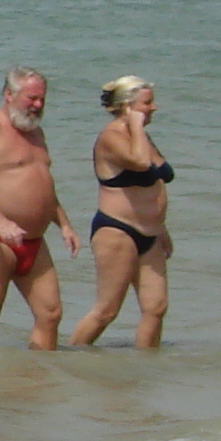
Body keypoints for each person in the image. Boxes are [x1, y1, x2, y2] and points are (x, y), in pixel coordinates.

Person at [0, 66, 80, 350]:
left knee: (50, 314)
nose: (38, 106)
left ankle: (37, 381)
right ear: (9, 94)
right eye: (31, 98)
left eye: (42, 100)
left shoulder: (36, 134)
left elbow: (43, 186)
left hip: (33, 240)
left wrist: (66, 225)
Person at [70, 76, 173, 349]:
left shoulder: (142, 136)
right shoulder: (111, 138)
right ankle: (68, 360)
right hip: (117, 230)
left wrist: (160, 225)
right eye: (147, 103)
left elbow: (159, 176)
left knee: (156, 307)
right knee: (107, 311)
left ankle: (145, 370)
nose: (154, 108)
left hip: (150, 233)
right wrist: (136, 124)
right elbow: (140, 163)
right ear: (127, 106)